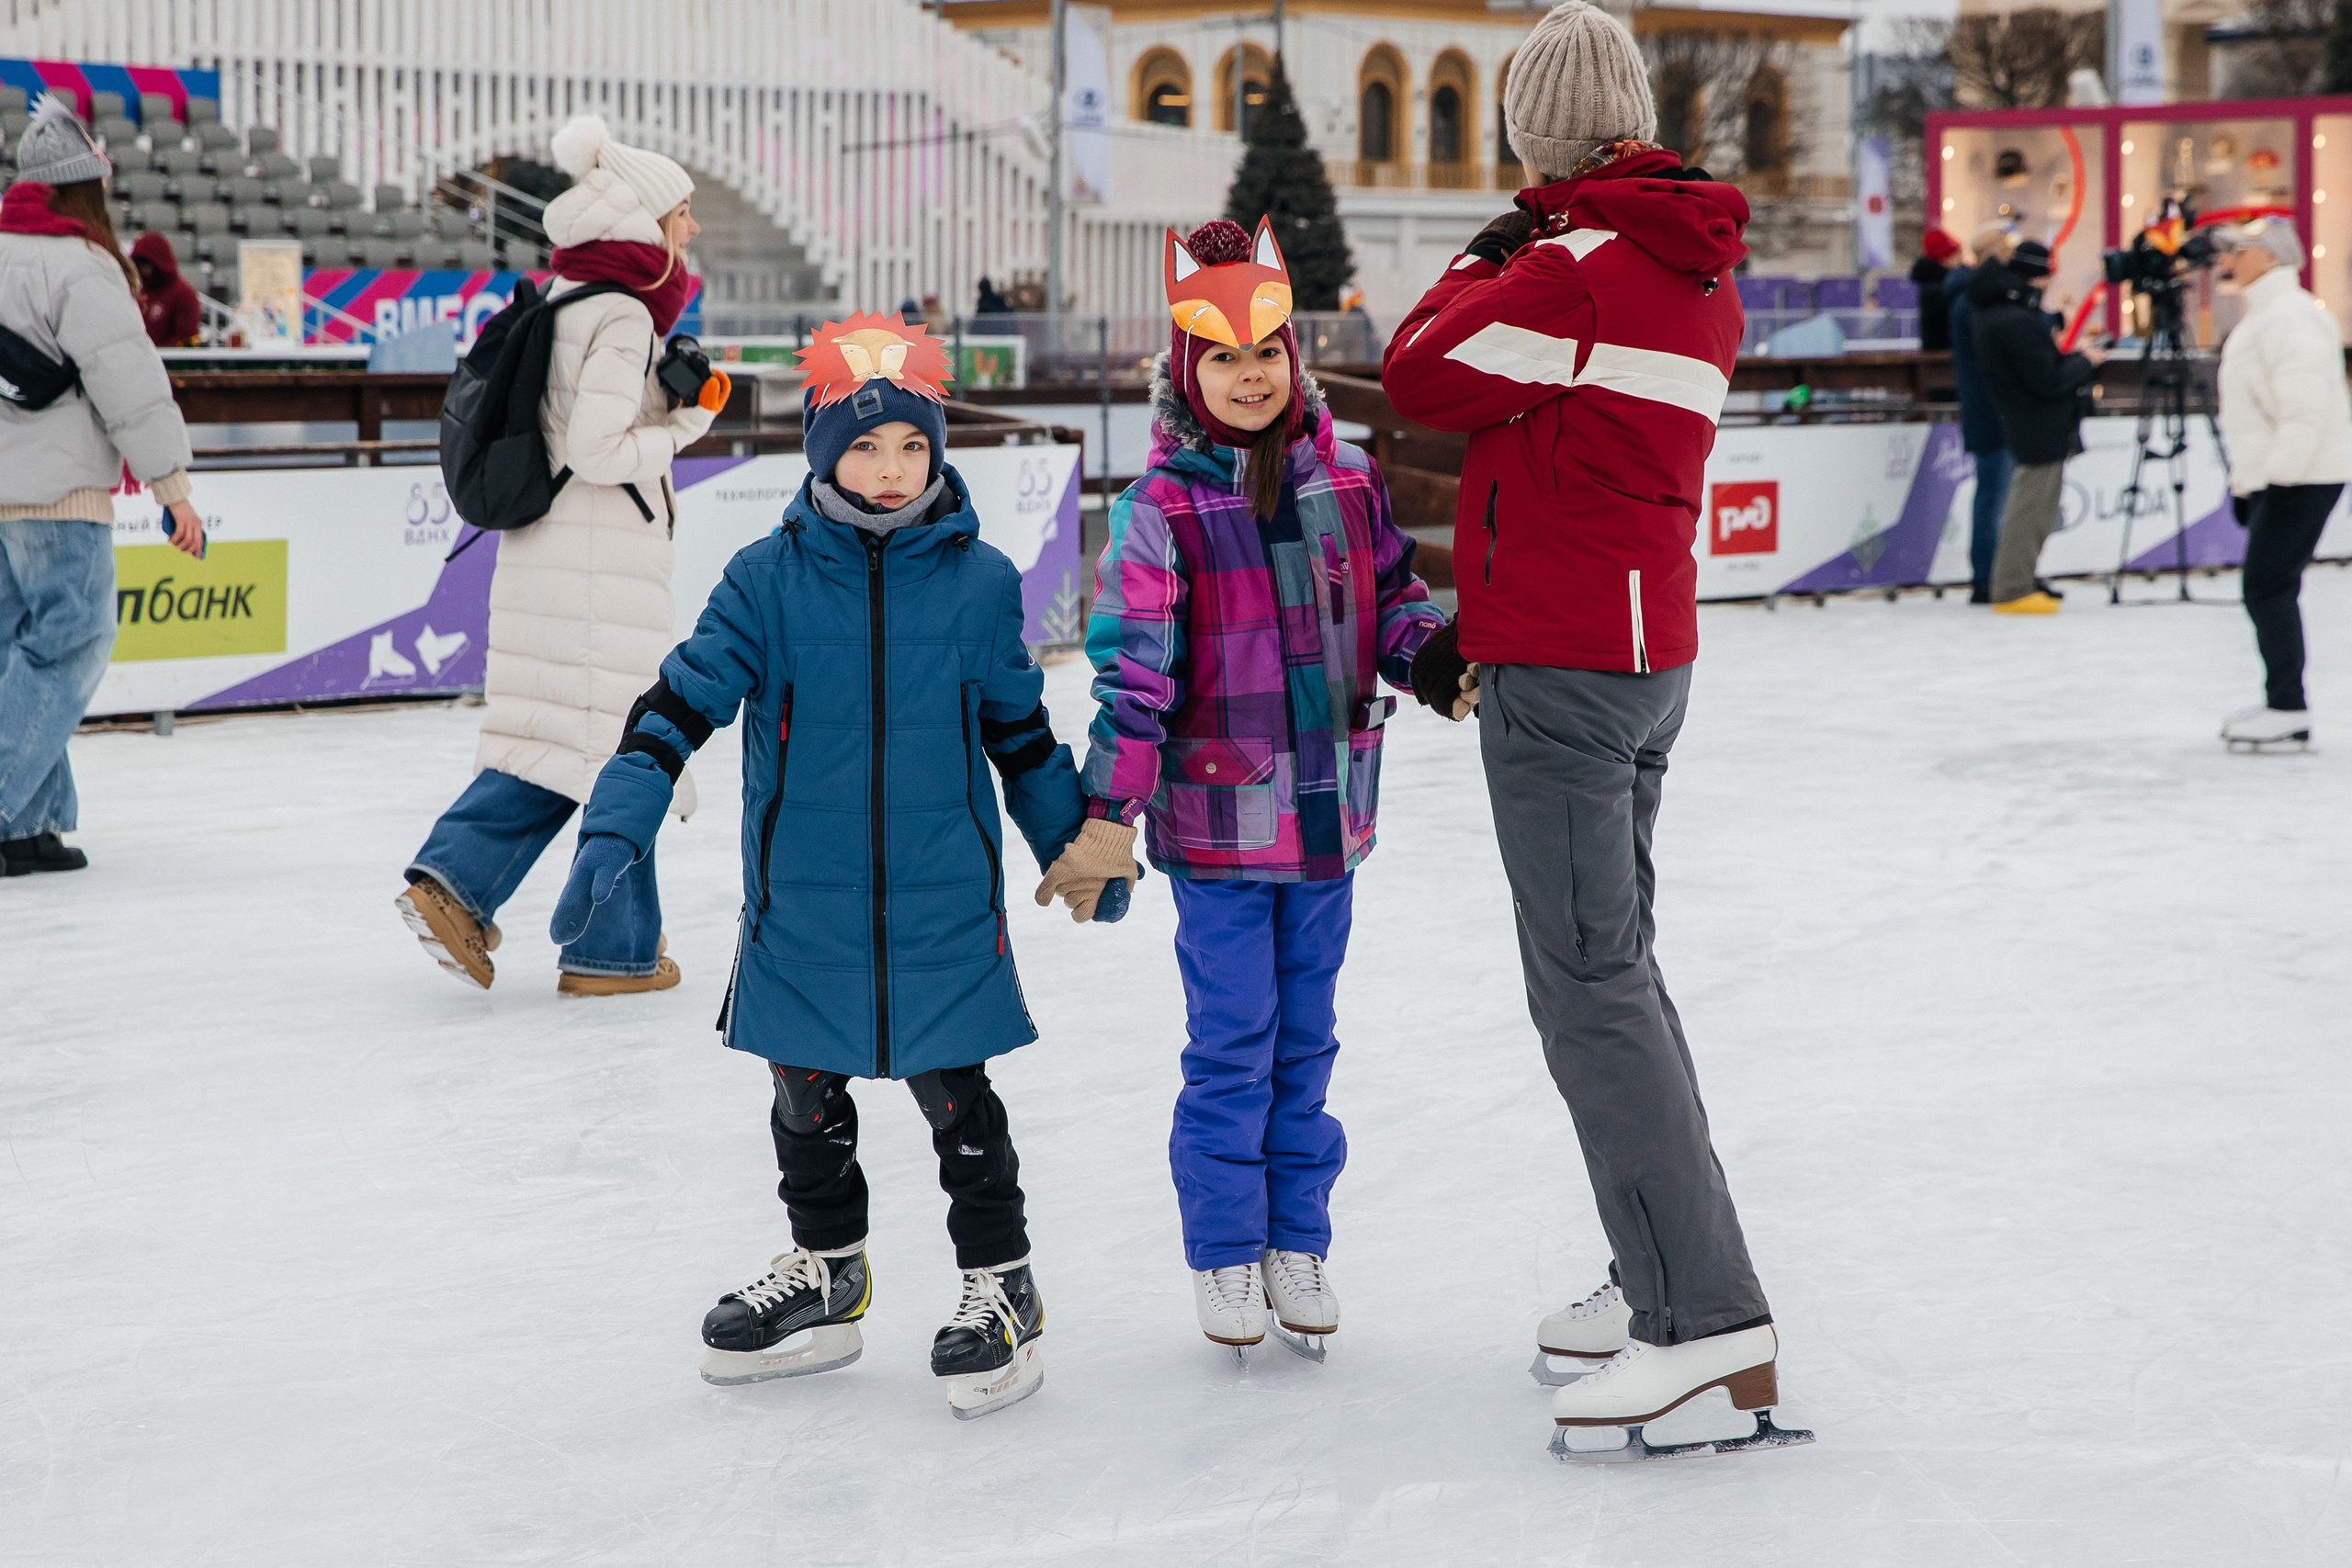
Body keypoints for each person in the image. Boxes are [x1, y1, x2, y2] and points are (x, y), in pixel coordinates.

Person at [1382, 1, 1804, 1461]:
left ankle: (1703, 1323)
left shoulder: (1573, 268)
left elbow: (1419, 369)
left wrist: (1487, 248)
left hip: (1565, 664)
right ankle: (1663, 1272)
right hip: (1638, 652)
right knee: (1616, 969)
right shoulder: (1685, 261)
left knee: (1589, 987)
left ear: (1537, 139)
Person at [549, 310, 1101, 1420]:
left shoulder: (982, 581)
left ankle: (1002, 1287)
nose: (891, 470)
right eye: (863, 447)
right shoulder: (765, 580)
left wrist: (1074, 842)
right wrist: (619, 821)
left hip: (945, 896)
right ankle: (828, 1272)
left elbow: (1022, 732)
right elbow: (677, 704)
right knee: (803, 1101)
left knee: (961, 1105)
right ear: (819, 452)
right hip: (802, 904)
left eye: (911, 446)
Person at [1046, 217, 1443, 1360]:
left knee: (1306, 1043)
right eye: (1223, 357)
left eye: (1266, 351)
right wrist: (1108, 813)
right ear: (1187, 372)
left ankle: (1293, 1240)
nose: (1251, 374)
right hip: (1221, 829)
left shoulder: (1350, 480)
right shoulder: (1162, 510)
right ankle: (1225, 1252)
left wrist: (1432, 659)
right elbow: (1132, 675)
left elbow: (1396, 603)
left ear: (1293, 357)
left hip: (1330, 821)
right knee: (1234, 1042)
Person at [393, 115, 729, 994]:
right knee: (625, 749)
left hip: (557, 551)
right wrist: (686, 423)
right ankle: (583, 941)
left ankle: (553, 922)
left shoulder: (569, 298)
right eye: (682, 213)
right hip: (594, 567)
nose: (692, 231)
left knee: (579, 741)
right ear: (647, 224)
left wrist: (660, 396)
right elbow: (596, 447)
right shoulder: (620, 312)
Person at [0, 96, 205, 877]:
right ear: (84, 186)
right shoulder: (81, 267)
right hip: (57, 495)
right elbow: (131, 384)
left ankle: (30, 824)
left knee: (12, 653)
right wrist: (172, 487)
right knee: (68, 644)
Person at [2211, 217, 2352, 751]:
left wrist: (2279, 481)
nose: (2228, 261)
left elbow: (2304, 411)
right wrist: (2250, 485)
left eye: (2239, 251)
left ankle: (2287, 709)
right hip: (2289, 475)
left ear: (2269, 257)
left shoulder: (2290, 318)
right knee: (2271, 587)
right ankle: (2282, 704)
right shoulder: (2266, 316)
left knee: (2265, 587)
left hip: (2304, 475)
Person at [1970, 237, 2099, 615]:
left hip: (2029, 421)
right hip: (2036, 422)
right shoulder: (2012, 319)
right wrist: (2084, 363)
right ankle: (2012, 586)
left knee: (2036, 507)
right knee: (2030, 509)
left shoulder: (1998, 311)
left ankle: (2017, 581)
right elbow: (2046, 378)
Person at [1946, 222, 2016, 603]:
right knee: (1993, 497)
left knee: (1994, 496)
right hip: (1990, 410)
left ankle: (1990, 575)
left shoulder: (1969, 297)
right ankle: (1987, 577)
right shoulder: (1973, 300)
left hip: (1987, 408)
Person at [130, 232, 202, 347]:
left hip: (172, 362)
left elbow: (186, 338)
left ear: (158, 262)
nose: (141, 269)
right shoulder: (140, 295)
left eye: (143, 263)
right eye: (137, 264)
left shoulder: (183, 294)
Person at [1910, 227, 1962, 354]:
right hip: (1942, 358)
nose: (1960, 261)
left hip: (1936, 355)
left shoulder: (1931, 283)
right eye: (1955, 256)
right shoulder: (1941, 287)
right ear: (1944, 258)